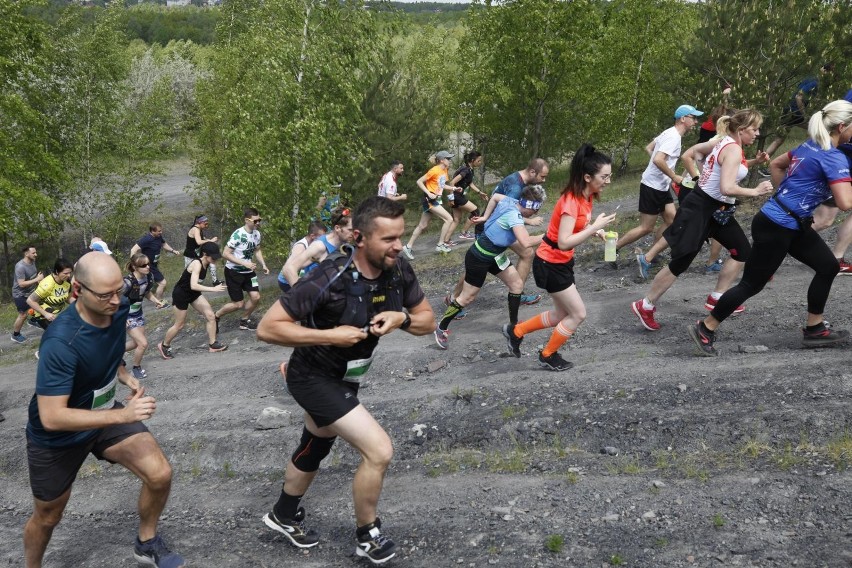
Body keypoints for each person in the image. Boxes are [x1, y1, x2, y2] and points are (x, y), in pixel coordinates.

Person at [256, 196, 435, 565]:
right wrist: (330, 335)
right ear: (360, 237)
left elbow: (428, 321)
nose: (398, 246)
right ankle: (367, 535)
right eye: (388, 239)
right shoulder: (328, 277)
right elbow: (268, 328)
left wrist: (402, 318)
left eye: (400, 236)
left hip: (346, 377)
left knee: (317, 442)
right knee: (379, 450)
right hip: (312, 377)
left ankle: (283, 514)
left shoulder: (399, 270)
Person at [23, 252, 184, 568]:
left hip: (104, 414)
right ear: (78, 290)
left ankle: (146, 542)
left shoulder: (118, 305)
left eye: (118, 291)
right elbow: (52, 416)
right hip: (58, 437)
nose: (115, 300)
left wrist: (124, 377)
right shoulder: (60, 342)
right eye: (105, 294)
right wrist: (124, 415)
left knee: (159, 473)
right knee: (48, 515)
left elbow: (109, 349)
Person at [688, 100, 852, 356]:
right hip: (777, 226)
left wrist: (786, 196)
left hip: (790, 222)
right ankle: (705, 327)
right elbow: (844, 202)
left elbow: (776, 164)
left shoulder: (810, 145)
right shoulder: (833, 157)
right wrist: (788, 200)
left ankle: (815, 329)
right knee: (752, 284)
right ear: (841, 127)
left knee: (828, 266)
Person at [630, 110, 774, 332]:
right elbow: (726, 186)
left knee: (742, 250)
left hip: (717, 210)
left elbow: (696, 155)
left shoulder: (725, 141)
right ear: (742, 129)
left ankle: (717, 297)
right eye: (754, 129)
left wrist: (752, 162)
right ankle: (645, 304)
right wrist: (755, 191)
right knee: (681, 261)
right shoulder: (732, 147)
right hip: (700, 208)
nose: (757, 133)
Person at [503, 145, 616, 371]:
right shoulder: (571, 202)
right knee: (578, 314)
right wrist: (595, 226)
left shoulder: (586, 197)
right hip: (551, 263)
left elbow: (577, 227)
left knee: (560, 315)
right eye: (604, 176)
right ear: (587, 177)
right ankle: (547, 354)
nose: (608, 181)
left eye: (609, 176)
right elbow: (564, 241)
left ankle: (516, 332)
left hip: (560, 261)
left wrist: (598, 231)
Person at [434, 184, 545, 350]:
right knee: (467, 297)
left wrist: (486, 216)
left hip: (495, 255)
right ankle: (441, 327)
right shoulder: (513, 216)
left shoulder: (511, 201)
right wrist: (549, 236)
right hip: (479, 257)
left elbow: (495, 197)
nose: (535, 214)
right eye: (535, 210)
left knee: (516, 285)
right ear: (529, 206)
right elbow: (526, 242)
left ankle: (512, 326)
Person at [615, 104, 703, 257]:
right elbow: (657, 159)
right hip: (652, 187)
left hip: (661, 187)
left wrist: (662, 169)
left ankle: (651, 255)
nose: (696, 122)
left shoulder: (669, 132)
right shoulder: (673, 137)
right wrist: (673, 176)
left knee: (673, 221)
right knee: (646, 227)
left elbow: (649, 148)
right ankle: (612, 248)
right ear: (683, 119)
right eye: (693, 118)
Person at [473, 158, 551, 305]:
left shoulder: (520, 179)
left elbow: (497, 199)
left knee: (527, 253)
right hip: (492, 230)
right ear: (533, 172)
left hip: (498, 225)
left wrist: (484, 216)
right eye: (542, 176)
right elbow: (509, 213)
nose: (544, 180)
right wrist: (530, 221)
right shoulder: (516, 187)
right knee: (477, 264)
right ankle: (454, 299)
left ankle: (517, 293)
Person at [158, 242, 228, 358]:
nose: (215, 259)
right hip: (181, 294)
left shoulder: (207, 263)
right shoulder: (197, 263)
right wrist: (213, 289)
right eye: (213, 256)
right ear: (205, 254)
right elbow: (193, 285)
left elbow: (191, 285)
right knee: (179, 324)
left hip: (193, 294)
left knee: (211, 316)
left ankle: (213, 344)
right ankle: (164, 345)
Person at [761, 64, 835, 167]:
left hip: (788, 109)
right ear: (825, 71)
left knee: (779, 139)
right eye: (831, 72)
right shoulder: (814, 82)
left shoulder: (809, 78)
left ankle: (761, 164)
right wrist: (804, 114)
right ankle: (803, 162)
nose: (831, 76)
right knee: (817, 131)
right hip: (795, 112)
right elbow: (798, 97)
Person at [213, 208, 270, 331]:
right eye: (256, 221)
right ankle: (216, 316)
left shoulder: (257, 234)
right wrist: (244, 263)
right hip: (234, 272)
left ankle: (244, 321)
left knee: (256, 297)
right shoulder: (238, 234)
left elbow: (257, 250)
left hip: (248, 272)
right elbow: (225, 254)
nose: (258, 223)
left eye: (259, 220)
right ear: (247, 220)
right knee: (238, 304)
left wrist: (263, 264)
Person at [402, 151, 460, 257]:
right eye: (448, 158)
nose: (450, 161)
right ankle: (440, 245)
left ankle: (408, 247)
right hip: (429, 199)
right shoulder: (434, 170)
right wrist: (429, 193)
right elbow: (419, 181)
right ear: (442, 160)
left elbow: (441, 185)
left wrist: (453, 188)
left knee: (422, 225)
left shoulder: (444, 170)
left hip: (435, 199)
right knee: (449, 219)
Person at [280, 210, 353, 291]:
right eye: (350, 230)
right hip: (315, 295)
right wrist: (303, 297)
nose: (353, 233)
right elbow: (288, 269)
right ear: (337, 228)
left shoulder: (345, 245)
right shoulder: (320, 246)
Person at [124, 253, 167, 380]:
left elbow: (146, 292)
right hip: (126, 316)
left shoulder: (148, 277)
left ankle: (113, 352)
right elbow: (115, 300)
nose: (147, 267)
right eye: (143, 265)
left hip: (138, 314)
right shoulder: (127, 282)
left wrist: (155, 301)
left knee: (136, 344)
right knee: (143, 344)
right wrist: (121, 317)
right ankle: (136, 369)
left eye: (148, 264)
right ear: (134, 267)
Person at [131, 223, 181, 306]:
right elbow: (133, 249)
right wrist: (134, 263)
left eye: (161, 230)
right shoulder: (146, 239)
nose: (161, 232)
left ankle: (148, 299)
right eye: (159, 231)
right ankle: (159, 302)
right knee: (162, 283)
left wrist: (173, 250)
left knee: (144, 283)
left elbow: (164, 244)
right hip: (148, 266)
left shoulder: (158, 237)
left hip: (154, 265)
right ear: (152, 231)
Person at [448, 151, 488, 241]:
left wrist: (479, 192)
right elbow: (452, 182)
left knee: (456, 220)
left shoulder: (469, 169)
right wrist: (451, 198)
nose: (480, 162)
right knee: (475, 211)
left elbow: (470, 183)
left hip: (457, 196)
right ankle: (464, 233)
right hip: (456, 196)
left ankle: (446, 240)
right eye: (479, 160)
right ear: (472, 160)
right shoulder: (465, 170)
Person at [278, 221, 327, 293]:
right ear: (312, 236)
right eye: (322, 236)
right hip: (286, 281)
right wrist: (298, 291)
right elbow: (288, 268)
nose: (324, 239)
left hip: (300, 279)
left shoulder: (314, 244)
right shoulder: (300, 246)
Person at [26, 259, 74, 331]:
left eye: (70, 273)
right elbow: (30, 300)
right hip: (44, 316)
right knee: (59, 334)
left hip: (57, 314)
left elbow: (68, 298)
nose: (69, 275)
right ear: (57, 272)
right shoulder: (47, 284)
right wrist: (45, 314)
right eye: (66, 273)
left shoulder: (66, 281)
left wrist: (78, 305)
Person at [12, 246, 44, 344]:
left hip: (31, 291)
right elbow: (21, 284)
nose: (36, 255)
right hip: (20, 294)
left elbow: (33, 276)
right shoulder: (20, 266)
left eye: (35, 252)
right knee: (23, 315)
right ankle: (15, 335)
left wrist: (39, 282)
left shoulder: (32, 261)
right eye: (33, 253)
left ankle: (33, 320)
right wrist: (37, 279)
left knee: (41, 303)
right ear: (26, 254)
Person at [183, 214, 222, 286]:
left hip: (197, 253)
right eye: (205, 224)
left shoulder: (199, 230)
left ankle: (215, 280)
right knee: (188, 271)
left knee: (210, 262)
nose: (206, 226)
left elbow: (202, 239)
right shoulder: (195, 229)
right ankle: (185, 284)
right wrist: (211, 241)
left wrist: (208, 240)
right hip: (190, 254)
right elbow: (199, 242)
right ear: (200, 222)